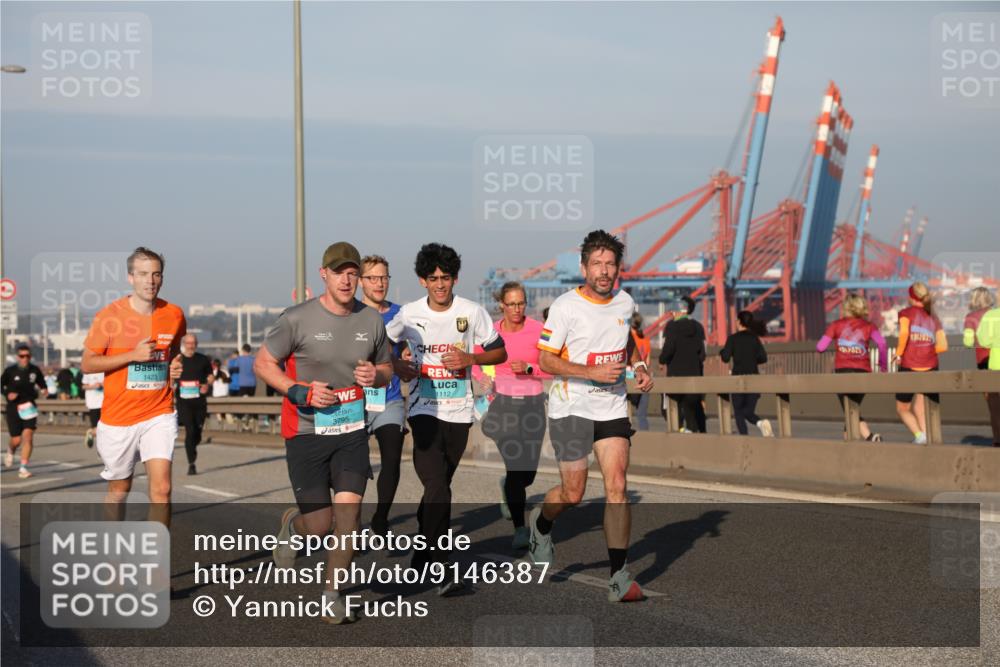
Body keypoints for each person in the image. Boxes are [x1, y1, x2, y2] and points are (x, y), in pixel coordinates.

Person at [257, 242, 393, 624]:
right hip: (305, 431)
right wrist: (299, 391)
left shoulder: (371, 320)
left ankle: (332, 594)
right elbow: (263, 363)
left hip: (351, 429)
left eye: (353, 273)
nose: (347, 280)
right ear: (324, 275)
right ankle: (293, 525)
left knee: (348, 516)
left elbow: (385, 368)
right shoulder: (297, 319)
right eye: (339, 273)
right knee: (319, 526)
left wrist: (375, 376)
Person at [529, 229, 654, 603]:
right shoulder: (566, 306)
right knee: (574, 492)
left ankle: (619, 576)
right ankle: (542, 522)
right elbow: (545, 359)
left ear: (618, 268)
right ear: (584, 267)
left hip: (612, 406)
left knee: (617, 487)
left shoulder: (624, 302)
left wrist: (641, 365)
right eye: (596, 264)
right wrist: (589, 372)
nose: (603, 271)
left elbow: (626, 340)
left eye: (610, 264)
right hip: (571, 408)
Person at [386, 242, 507, 595]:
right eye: (433, 278)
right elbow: (381, 347)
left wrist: (470, 361)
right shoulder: (408, 314)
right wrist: (398, 366)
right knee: (438, 484)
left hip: (459, 412)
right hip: (424, 409)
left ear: (455, 278)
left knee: (437, 488)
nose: (440, 284)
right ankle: (443, 566)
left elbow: (500, 351)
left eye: (446, 278)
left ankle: (424, 548)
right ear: (423, 280)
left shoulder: (472, 312)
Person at [81, 247, 186, 528]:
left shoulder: (174, 314)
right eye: (142, 274)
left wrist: (175, 364)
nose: (150, 281)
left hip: (159, 411)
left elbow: (173, 351)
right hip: (119, 419)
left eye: (156, 274)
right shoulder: (109, 316)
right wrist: (131, 356)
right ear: (130, 278)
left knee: (162, 489)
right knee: (119, 490)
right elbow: (88, 364)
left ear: (162, 278)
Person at [473, 281, 550, 549]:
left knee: (527, 475)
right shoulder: (491, 332)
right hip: (503, 405)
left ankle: (509, 486)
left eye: (521, 303)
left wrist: (531, 369)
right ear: (502, 306)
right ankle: (520, 528)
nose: (517, 309)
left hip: (532, 404)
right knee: (517, 466)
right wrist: (483, 379)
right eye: (511, 304)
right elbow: (475, 361)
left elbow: (552, 367)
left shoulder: (539, 330)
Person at [357, 254, 409, 536]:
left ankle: (381, 517)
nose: (379, 283)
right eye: (373, 278)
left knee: (391, 455)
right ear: (361, 281)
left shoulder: (402, 314)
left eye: (384, 277)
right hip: (354, 403)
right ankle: (351, 519)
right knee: (353, 468)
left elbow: (413, 348)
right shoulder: (350, 313)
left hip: (388, 399)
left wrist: (409, 354)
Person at [816, 294, 888, 442]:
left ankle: (869, 437)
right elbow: (882, 344)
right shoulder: (869, 327)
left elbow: (820, 347)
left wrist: (835, 340)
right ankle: (851, 446)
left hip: (843, 372)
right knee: (851, 409)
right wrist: (883, 366)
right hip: (864, 373)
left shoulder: (836, 325)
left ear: (846, 308)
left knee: (850, 410)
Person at [894, 282, 947, 445]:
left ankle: (919, 435)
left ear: (911, 297)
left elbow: (904, 333)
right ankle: (927, 438)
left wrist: (898, 354)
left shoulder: (905, 313)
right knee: (921, 407)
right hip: (931, 365)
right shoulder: (934, 317)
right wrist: (929, 351)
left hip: (909, 365)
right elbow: (943, 346)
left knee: (902, 408)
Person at [720, 311, 773, 437]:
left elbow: (726, 358)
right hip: (754, 379)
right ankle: (760, 423)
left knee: (739, 412)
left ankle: (745, 438)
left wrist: (722, 351)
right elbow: (763, 358)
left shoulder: (733, 339)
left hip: (738, 380)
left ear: (739, 321)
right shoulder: (755, 338)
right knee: (748, 412)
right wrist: (752, 359)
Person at [659, 296, 707, 433]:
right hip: (694, 375)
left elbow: (669, 348)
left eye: (673, 312)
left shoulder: (672, 327)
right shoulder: (699, 327)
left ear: (678, 312)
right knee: (691, 409)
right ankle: (693, 434)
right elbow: (703, 354)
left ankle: (679, 430)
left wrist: (662, 360)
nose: (672, 315)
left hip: (675, 374)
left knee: (669, 408)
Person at [2, 344, 47, 478]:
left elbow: (41, 382)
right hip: (13, 408)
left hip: (29, 407)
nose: (25, 358)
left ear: (30, 356)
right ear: (18, 357)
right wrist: (7, 393)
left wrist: (44, 389)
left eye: (27, 356)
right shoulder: (10, 371)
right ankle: (10, 450)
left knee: (28, 437)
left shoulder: (34, 370)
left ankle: (23, 468)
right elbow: (1, 385)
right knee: (16, 440)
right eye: (22, 356)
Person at [964, 287, 1000, 447]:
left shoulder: (971, 317)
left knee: (993, 403)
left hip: (986, 360)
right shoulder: (993, 313)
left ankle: (997, 439)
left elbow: (968, 342)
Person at [176, 334, 213, 475]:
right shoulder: (178, 360)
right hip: (183, 402)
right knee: (190, 430)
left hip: (199, 402)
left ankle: (194, 444)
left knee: (197, 433)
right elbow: (170, 375)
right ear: (184, 343)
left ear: (196, 344)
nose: (191, 346)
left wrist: (207, 384)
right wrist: (172, 384)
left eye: (193, 343)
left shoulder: (203, 359)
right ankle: (191, 463)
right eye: (188, 343)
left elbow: (210, 375)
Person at [975, 300, 1000, 447]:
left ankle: (998, 439)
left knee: (995, 405)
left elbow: (983, 340)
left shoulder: (991, 316)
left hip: (996, 364)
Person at [627, 313, 652, 431]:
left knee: (624, 414)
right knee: (642, 415)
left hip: (628, 376)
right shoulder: (646, 339)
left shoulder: (628, 337)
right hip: (643, 376)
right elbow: (647, 361)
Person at [81, 370, 104, 448]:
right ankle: (91, 433)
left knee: (104, 428)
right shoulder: (88, 371)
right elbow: (83, 386)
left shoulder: (105, 370)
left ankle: (92, 433)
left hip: (105, 402)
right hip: (93, 403)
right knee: (97, 428)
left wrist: (103, 384)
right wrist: (93, 386)